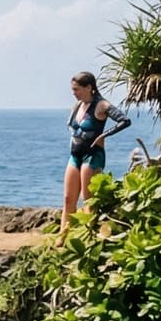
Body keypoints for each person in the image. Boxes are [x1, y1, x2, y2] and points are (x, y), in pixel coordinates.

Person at [64, 71, 131, 226]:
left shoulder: (101, 105)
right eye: (73, 89)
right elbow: (71, 126)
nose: (74, 93)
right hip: (75, 155)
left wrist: (104, 135)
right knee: (69, 198)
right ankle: (63, 234)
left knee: (88, 199)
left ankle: (90, 235)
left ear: (89, 87)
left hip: (92, 155)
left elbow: (125, 120)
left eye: (77, 89)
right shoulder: (77, 106)